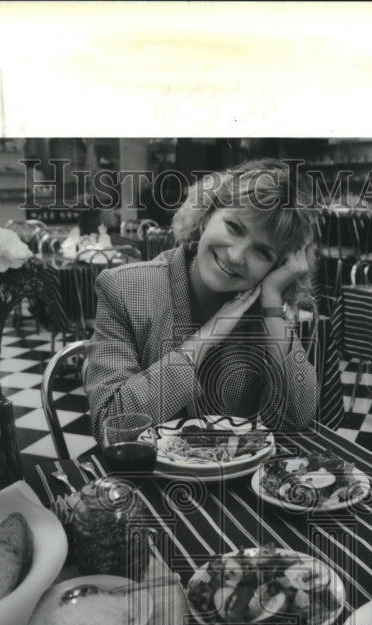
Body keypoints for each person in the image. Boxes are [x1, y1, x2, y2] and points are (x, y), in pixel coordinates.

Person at [83, 158, 320, 442]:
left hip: (230, 479)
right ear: (207, 215)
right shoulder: (123, 288)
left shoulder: (265, 309)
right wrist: (208, 335)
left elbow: (296, 420)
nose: (236, 256)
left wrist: (271, 302)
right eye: (234, 227)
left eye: (262, 253)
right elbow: (110, 427)